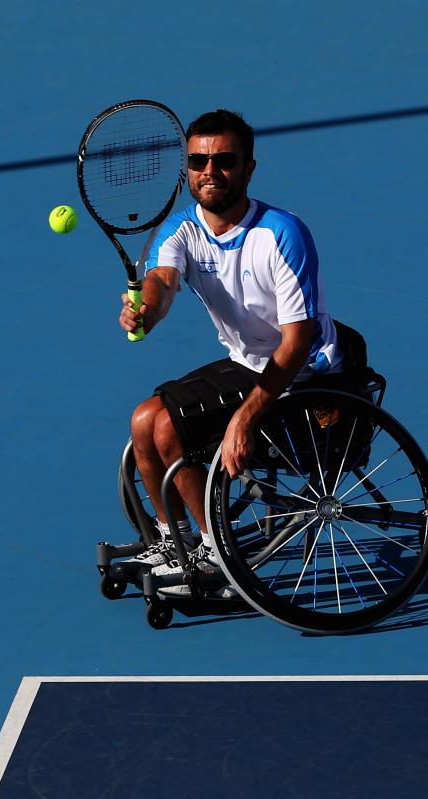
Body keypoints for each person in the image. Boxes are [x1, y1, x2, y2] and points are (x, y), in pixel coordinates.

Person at [119, 108, 342, 578]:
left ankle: (217, 552)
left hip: (304, 371)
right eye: (198, 163)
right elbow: (162, 278)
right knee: (144, 420)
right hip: (249, 362)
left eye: (224, 161)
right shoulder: (182, 230)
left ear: (248, 168)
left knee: (167, 430)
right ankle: (172, 540)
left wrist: (246, 415)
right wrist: (147, 311)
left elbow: (298, 341)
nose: (209, 173)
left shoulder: (282, 234)